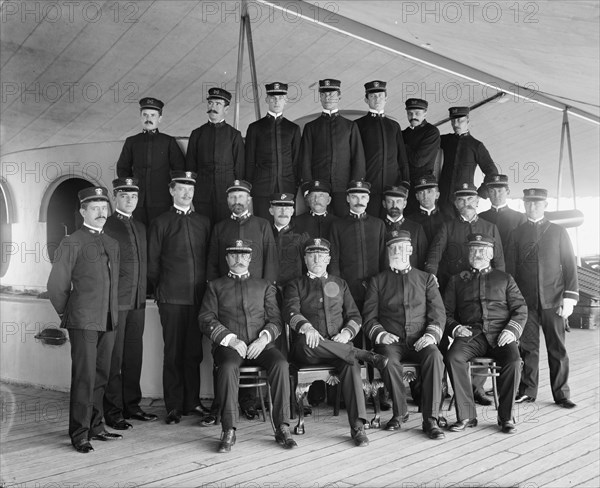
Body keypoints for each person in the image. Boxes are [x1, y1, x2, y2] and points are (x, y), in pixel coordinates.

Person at [283, 238, 389, 447]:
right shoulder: (295, 284)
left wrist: (347, 334)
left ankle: (358, 427)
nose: (317, 259)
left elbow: (355, 316)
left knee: (351, 366)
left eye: (321, 255)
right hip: (308, 349)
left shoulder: (339, 283)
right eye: (312, 255)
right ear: (305, 259)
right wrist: (307, 327)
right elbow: (290, 311)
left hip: (339, 346)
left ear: (328, 259)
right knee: (306, 342)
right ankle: (362, 354)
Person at [199, 239, 297, 453]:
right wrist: (231, 340)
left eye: (243, 255)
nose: (239, 259)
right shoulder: (215, 286)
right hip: (230, 347)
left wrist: (263, 340)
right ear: (227, 259)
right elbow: (206, 319)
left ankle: (282, 426)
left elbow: (276, 320)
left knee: (281, 364)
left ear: (250, 259)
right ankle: (228, 430)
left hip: (262, 346)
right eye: (234, 255)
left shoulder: (264, 286)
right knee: (226, 367)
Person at [47, 186, 122, 453]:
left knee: (101, 375)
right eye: (95, 208)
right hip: (83, 321)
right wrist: (70, 315)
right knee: (84, 377)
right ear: (83, 211)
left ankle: (96, 425)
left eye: (104, 208)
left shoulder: (112, 243)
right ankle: (79, 432)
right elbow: (56, 286)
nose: (101, 213)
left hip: (109, 319)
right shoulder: (72, 242)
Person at [362, 230, 446, 439]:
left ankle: (431, 419)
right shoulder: (378, 281)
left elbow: (438, 314)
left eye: (401, 248)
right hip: (392, 341)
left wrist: (430, 336)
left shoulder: (426, 279)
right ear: (388, 251)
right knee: (388, 360)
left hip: (421, 339)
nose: (397, 252)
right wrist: (380, 334)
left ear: (410, 250)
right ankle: (400, 413)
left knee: (435, 356)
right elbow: (369, 317)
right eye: (393, 248)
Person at [444, 233, 527, 434]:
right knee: (453, 357)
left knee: (513, 361)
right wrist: (456, 328)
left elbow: (521, 308)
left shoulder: (505, 279)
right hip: (471, 335)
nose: (477, 254)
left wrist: (512, 330)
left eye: (482, 250)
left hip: (501, 335)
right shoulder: (457, 280)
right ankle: (466, 416)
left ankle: (506, 417)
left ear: (491, 254)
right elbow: (444, 313)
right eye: (473, 249)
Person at [147, 171, 211, 424]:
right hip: (171, 298)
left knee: (193, 352)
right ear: (172, 191)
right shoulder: (161, 222)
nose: (186, 193)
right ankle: (173, 406)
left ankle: (192, 402)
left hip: (198, 298)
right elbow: (152, 263)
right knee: (173, 352)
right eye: (182, 189)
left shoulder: (203, 222)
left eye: (190, 189)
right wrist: (162, 289)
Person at [506, 188, 579, 408]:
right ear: (524, 204)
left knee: (557, 348)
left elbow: (569, 266)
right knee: (528, 348)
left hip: (554, 301)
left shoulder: (558, 232)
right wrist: (513, 302)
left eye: (537, 203)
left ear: (546, 205)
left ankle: (562, 394)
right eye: (529, 203)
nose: (533, 206)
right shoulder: (516, 234)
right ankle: (528, 390)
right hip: (525, 303)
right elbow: (510, 272)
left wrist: (569, 298)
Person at [103, 178, 157, 430]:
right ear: (115, 197)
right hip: (116, 303)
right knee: (114, 358)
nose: (129, 200)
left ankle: (132, 405)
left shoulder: (141, 226)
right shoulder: (108, 225)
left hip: (138, 302)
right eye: (124, 196)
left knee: (134, 356)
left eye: (133, 196)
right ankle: (112, 411)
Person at [299, 79, 366, 217]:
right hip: (318, 189)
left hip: (344, 187)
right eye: (324, 94)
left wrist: (354, 187)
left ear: (339, 96)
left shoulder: (350, 126)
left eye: (332, 94)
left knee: (344, 224)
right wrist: (307, 187)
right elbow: (305, 159)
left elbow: (358, 158)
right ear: (320, 97)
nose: (328, 97)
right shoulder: (311, 127)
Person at [116, 97, 186, 226]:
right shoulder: (132, 142)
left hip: (162, 200)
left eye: (153, 115)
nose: (149, 118)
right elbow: (122, 168)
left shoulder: (168, 142)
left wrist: (171, 191)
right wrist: (131, 190)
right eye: (145, 115)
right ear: (140, 117)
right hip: (137, 202)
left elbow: (179, 170)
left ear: (160, 118)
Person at [425, 183, 505, 295]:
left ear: (477, 201)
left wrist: (500, 283)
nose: (466, 203)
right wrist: (431, 273)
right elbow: (435, 253)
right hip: (455, 285)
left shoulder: (490, 227)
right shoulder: (447, 227)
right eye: (461, 200)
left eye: (470, 199)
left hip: (484, 284)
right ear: (456, 204)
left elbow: (499, 260)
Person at [185, 87, 245, 224]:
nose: (213, 107)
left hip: (226, 194)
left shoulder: (234, 135)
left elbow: (239, 168)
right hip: (202, 195)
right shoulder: (197, 134)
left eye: (218, 104)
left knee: (225, 230)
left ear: (226, 109)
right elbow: (190, 166)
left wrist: (237, 194)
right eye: (211, 103)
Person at [245, 82, 301, 219]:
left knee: (286, 227)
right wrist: (248, 188)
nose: (276, 101)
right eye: (273, 98)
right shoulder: (255, 128)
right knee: (263, 225)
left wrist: (296, 185)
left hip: (286, 187)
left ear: (286, 100)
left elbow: (297, 160)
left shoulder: (293, 128)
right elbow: (249, 160)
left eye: (280, 98)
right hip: (262, 188)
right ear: (267, 100)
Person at [329, 180, 386, 314]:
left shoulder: (378, 225)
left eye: (363, 197)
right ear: (348, 198)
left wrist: (383, 285)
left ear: (368, 199)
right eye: (354, 197)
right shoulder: (338, 226)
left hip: (375, 287)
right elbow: (334, 259)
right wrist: (338, 288)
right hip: (348, 288)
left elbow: (385, 258)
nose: (359, 201)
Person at [355, 80, 409, 217]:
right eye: (372, 96)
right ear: (366, 100)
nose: (377, 99)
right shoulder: (358, 125)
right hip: (369, 188)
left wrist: (405, 182)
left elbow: (402, 158)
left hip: (392, 188)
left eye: (380, 95)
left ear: (386, 98)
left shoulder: (394, 126)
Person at [207, 180, 278, 283]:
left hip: (256, 290)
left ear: (248, 200)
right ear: (227, 200)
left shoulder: (262, 225)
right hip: (227, 290)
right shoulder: (219, 228)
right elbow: (212, 263)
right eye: (233, 197)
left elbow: (270, 260)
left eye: (241, 197)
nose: (237, 201)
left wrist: (268, 289)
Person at [438, 106, 498, 217]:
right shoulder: (445, 140)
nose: (456, 124)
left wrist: (480, 194)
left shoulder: (476, 145)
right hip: (444, 198)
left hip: (466, 198)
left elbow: (492, 172)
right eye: (453, 121)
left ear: (468, 121)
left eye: (460, 120)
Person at [401, 98, 440, 214]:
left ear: (425, 113)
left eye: (417, 113)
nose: (413, 116)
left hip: (423, 186)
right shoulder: (404, 133)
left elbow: (418, 160)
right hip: (405, 184)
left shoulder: (431, 132)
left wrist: (402, 145)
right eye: (410, 113)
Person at [381, 182, 428, 270]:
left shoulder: (416, 228)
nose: (394, 206)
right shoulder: (378, 227)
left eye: (398, 201)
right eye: (390, 201)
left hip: (411, 281)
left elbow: (422, 260)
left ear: (405, 204)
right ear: (384, 204)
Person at [478, 174, 527, 255]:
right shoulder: (480, 217)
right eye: (492, 191)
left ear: (507, 192)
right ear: (487, 194)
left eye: (500, 191)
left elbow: (523, 247)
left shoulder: (520, 218)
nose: (496, 195)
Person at [269, 192, 310, 288]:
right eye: (279, 208)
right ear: (271, 211)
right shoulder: (264, 233)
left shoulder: (301, 236)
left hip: (293, 289)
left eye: (287, 209)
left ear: (292, 212)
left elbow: (306, 267)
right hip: (269, 289)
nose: (283, 212)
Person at [406, 175, 452, 244]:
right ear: (417, 196)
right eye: (421, 193)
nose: (425, 197)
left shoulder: (447, 219)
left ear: (437, 195)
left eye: (429, 191)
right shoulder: (409, 221)